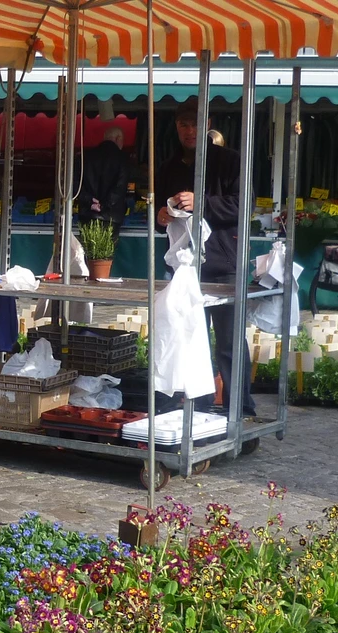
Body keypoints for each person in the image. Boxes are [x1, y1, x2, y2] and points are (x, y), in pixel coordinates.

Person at [155, 97, 252, 417]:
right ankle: (197, 405)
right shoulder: (168, 167)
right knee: (187, 337)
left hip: (224, 263)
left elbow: (244, 206)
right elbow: (159, 213)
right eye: (184, 124)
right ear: (176, 127)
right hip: (185, 268)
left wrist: (202, 202)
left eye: (196, 124)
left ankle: (240, 409)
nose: (190, 130)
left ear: (208, 124)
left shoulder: (231, 161)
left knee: (229, 341)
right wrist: (160, 216)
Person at [77, 125, 130, 238]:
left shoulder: (85, 157)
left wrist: (91, 202)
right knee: (107, 249)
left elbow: (76, 186)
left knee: (85, 247)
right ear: (118, 139)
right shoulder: (123, 158)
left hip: (88, 214)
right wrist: (104, 206)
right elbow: (120, 187)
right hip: (112, 217)